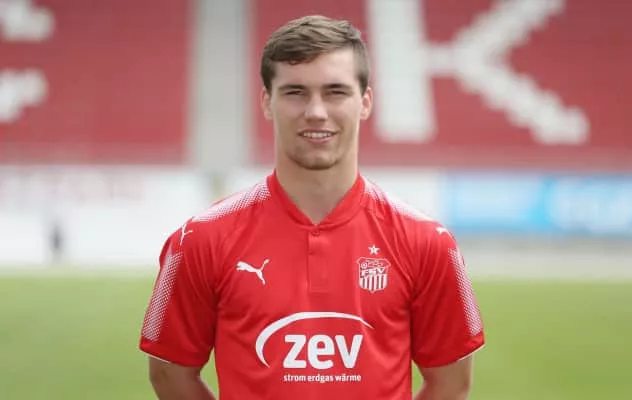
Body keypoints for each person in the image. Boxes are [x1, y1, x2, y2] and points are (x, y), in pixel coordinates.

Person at [139, 14, 485, 400]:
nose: (316, 111)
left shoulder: (429, 243)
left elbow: (452, 383)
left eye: (335, 92)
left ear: (365, 102)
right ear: (267, 102)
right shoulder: (199, 240)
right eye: (295, 92)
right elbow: (168, 374)